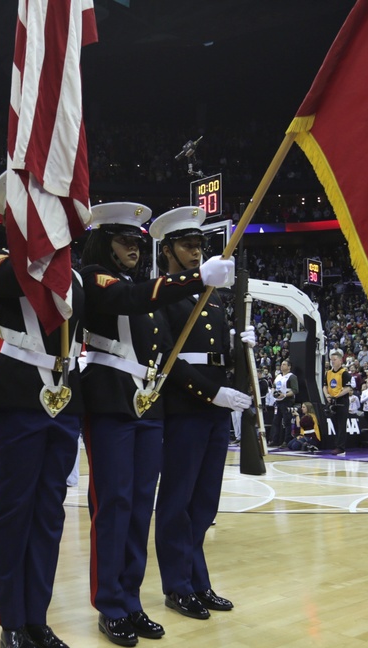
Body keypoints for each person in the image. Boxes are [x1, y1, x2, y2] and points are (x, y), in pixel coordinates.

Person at [80, 201, 235, 647]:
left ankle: (131, 599)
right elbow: (124, 299)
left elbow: (166, 347)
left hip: (147, 404)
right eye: (124, 240)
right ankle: (110, 603)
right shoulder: (95, 276)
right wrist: (194, 279)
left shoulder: (142, 287)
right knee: (114, 507)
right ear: (104, 242)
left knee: (138, 509)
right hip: (110, 396)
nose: (132, 247)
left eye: (136, 241)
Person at [0, 171, 84, 648]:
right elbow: (5, 280)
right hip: (20, 393)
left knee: (49, 513)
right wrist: (36, 244)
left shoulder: (75, 274)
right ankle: (12, 623)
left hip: (64, 398)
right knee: (14, 511)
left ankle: (38, 618)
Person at [150, 206, 251, 620]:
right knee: (177, 500)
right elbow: (167, 359)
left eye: (199, 245)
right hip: (187, 406)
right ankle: (177, 585)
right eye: (188, 245)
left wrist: (240, 346)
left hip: (213, 409)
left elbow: (216, 355)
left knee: (205, 502)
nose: (196, 252)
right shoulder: (163, 293)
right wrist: (213, 393)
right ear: (168, 250)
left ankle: (198, 580)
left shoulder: (213, 299)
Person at [322, 348, 352, 455]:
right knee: (334, 424)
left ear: (340, 361)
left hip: (341, 401)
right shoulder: (328, 373)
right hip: (331, 401)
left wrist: (336, 396)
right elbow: (325, 386)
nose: (332, 361)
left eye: (334, 359)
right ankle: (336, 444)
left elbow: (348, 388)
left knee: (341, 425)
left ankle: (341, 447)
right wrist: (327, 396)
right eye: (331, 359)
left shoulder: (344, 373)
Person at [271, 360, 299, 447]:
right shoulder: (278, 376)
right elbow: (273, 386)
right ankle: (275, 440)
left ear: (289, 367)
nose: (282, 366)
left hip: (287, 401)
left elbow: (295, 390)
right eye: (281, 364)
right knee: (276, 421)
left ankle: (287, 441)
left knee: (287, 422)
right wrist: (273, 394)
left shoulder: (291, 377)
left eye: (284, 364)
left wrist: (284, 395)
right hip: (278, 401)